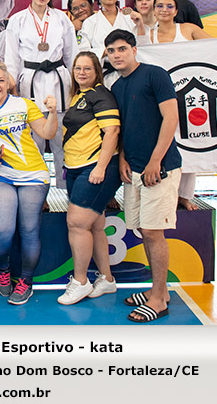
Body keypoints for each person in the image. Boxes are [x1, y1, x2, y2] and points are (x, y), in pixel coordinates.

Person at [106, 30, 182, 323]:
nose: (117, 55)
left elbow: (171, 118)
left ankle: (159, 299)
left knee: (153, 232)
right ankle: (157, 290)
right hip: (135, 170)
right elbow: (124, 127)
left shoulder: (155, 75)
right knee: (143, 230)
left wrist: (155, 160)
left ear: (134, 50)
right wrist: (124, 157)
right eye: (111, 51)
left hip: (160, 168)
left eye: (122, 49)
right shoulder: (117, 86)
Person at [0, 60, 58, 305]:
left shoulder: (24, 104)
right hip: (2, 175)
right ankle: (3, 269)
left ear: (8, 82)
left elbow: (47, 133)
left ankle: (26, 281)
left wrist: (53, 112)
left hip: (33, 174)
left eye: (1, 80)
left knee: (29, 230)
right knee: (1, 231)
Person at [57, 51, 122, 305]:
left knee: (76, 223)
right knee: (95, 225)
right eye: (78, 68)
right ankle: (107, 279)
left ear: (97, 72)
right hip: (76, 167)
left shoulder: (100, 95)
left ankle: (80, 281)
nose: (82, 72)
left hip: (95, 168)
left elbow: (112, 131)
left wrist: (101, 167)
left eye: (87, 68)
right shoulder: (78, 96)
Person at [5, 0, 75, 189]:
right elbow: (11, 58)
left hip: (58, 81)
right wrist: (12, 87)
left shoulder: (61, 18)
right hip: (30, 80)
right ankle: (37, 190)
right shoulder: (17, 20)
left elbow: (72, 53)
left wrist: (76, 84)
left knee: (61, 140)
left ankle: (66, 189)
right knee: (34, 141)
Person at [149, 0, 212, 211]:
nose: (164, 10)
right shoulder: (147, 35)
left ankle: (185, 195)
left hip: (187, 92)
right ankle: (164, 191)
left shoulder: (188, 29)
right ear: (154, 10)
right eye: (159, 6)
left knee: (189, 143)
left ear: (176, 10)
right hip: (159, 96)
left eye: (169, 6)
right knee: (161, 140)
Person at [80, 0, 145, 68]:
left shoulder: (129, 19)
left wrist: (140, 25)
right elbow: (83, 52)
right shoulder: (90, 22)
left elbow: (142, 47)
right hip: (103, 71)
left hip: (129, 70)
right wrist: (105, 52)